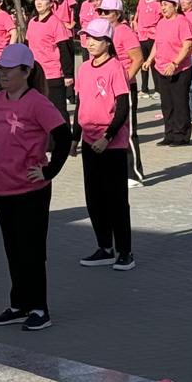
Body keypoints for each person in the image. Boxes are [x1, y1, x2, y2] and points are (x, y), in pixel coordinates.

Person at [0, 44, 71, 332]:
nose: (2, 74)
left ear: (26, 72)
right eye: (0, 69)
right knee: (13, 249)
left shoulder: (37, 102)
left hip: (31, 190)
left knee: (31, 250)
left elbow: (63, 137)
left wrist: (49, 169)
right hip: (1, 188)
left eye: (9, 69)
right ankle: (19, 304)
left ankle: (40, 308)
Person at [73, 18, 134, 270]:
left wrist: (107, 136)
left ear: (108, 42)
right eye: (87, 37)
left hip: (112, 143)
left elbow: (121, 107)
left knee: (116, 199)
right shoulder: (84, 68)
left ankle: (125, 251)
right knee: (94, 198)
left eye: (96, 39)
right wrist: (75, 137)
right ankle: (104, 247)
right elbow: (80, 103)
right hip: (89, 141)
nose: (89, 43)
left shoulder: (115, 68)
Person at [98, 0, 146, 185]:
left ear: (117, 14)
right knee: (113, 129)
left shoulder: (124, 31)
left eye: (106, 12)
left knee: (128, 130)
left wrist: (124, 80)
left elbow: (138, 58)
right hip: (108, 88)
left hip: (125, 87)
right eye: (100, 11)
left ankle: (134, 173)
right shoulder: (103, 33)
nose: (102, 15)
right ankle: (118, 171)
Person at [145, 0, 192, 146]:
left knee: (179, 103)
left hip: (180, 69)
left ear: (175, 5)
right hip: (161, 69)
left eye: (166, 4)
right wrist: (149, 60)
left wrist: (175, 63)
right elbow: (157, 44)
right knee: (167, 104)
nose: (162, 7)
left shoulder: (182, 22)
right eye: (161, 4)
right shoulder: (161, 23)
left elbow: (187, 46)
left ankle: (181, 136)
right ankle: (169, 134)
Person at [26, 0, 75, 121]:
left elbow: (65, 50)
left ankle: (63, 140)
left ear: (51, 3)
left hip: (52, 75)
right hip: (35, 74)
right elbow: (27, 47)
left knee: (57, 112)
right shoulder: (31, 22)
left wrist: (68, 74)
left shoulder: (56, 23)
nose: (38, 2)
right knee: (37, 111)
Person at [133, 0, 161, 98]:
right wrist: (134, 22)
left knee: (153, 62)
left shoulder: (158, 3)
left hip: (153, 35)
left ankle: (158, 89)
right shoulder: (141, 1)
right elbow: (137, 15)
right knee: (143, 62)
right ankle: (144, 89)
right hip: (141, 35)